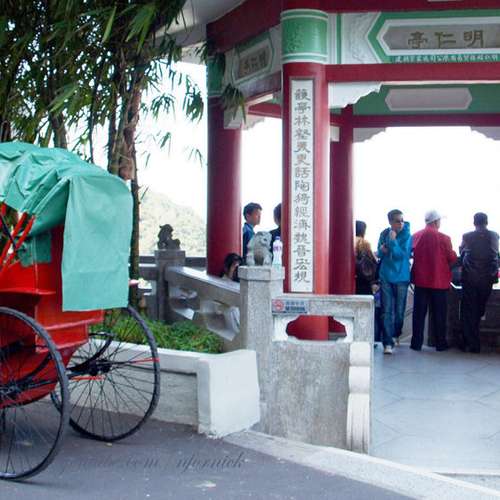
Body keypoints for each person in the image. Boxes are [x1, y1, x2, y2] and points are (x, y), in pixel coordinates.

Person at [410, 210, 457, 352]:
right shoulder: (444, 238)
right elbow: (452, 258)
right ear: (436, 221)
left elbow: (410, 253)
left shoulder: (416, 236)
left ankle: (416, 344)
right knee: (439, 314)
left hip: (420, 281)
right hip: (439, 281)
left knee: (419, 314)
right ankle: (440, 343)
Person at [459, 212, 499, 353]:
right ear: (486, 222)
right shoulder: (494, 236)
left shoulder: (467, 236)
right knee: (478, 310)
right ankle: (473, 342)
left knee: (468, 311)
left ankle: (471, 343)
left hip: (470, 279)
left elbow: (461, 252)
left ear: (474, 223)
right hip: (487, 280)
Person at [377, 209, 412, 355]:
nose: (401, 223)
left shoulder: (407, 235)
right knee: (386, 311)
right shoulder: (384, 233)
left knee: (399, 312)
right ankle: (387, 343)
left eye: (402, 220)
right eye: (397, 221)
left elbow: (401, 255)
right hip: (385, 276)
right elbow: (379, 253)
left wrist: (392, 242)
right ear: (390, 222)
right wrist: (382, 249)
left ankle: (396, 333)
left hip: (402, 277)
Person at [355, 220, 383, 344]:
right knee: (366, 315)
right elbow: (372, 264)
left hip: (351, 283)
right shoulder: (364, 244)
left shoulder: (348, 242)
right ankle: (368, 340)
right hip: (364, 284)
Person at [220, 253, 243, 333]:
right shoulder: (223, 282)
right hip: (231, 317)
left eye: (238, 268)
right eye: (234, 267)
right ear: (226, 268)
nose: (236, 271)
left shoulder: (240, 283)